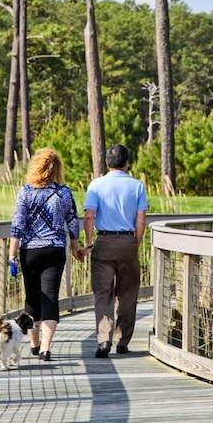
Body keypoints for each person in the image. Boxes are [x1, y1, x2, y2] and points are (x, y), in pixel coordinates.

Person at [9, 148, 81, 361]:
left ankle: (34, 343)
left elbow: (17, 225)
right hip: (55, 250)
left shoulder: (25, 192)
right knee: (50, 297)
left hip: (30, 251)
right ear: (57, 168)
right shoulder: (64, 193)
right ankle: (46, 348)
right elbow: (73, 222)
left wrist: (12, 254)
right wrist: (76, 247)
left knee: (32, 297)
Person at [81, 144, 148, 358]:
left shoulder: (96, 185)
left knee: (103, 292)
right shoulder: (137, 186)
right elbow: (141, 221)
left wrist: (90, 242)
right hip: (127, 242)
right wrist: (134, 243)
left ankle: (103, 340)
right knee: (128, 293)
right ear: (127, 162)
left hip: (104, 242)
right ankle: (122, 341)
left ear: (107, 163)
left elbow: (89, 216)